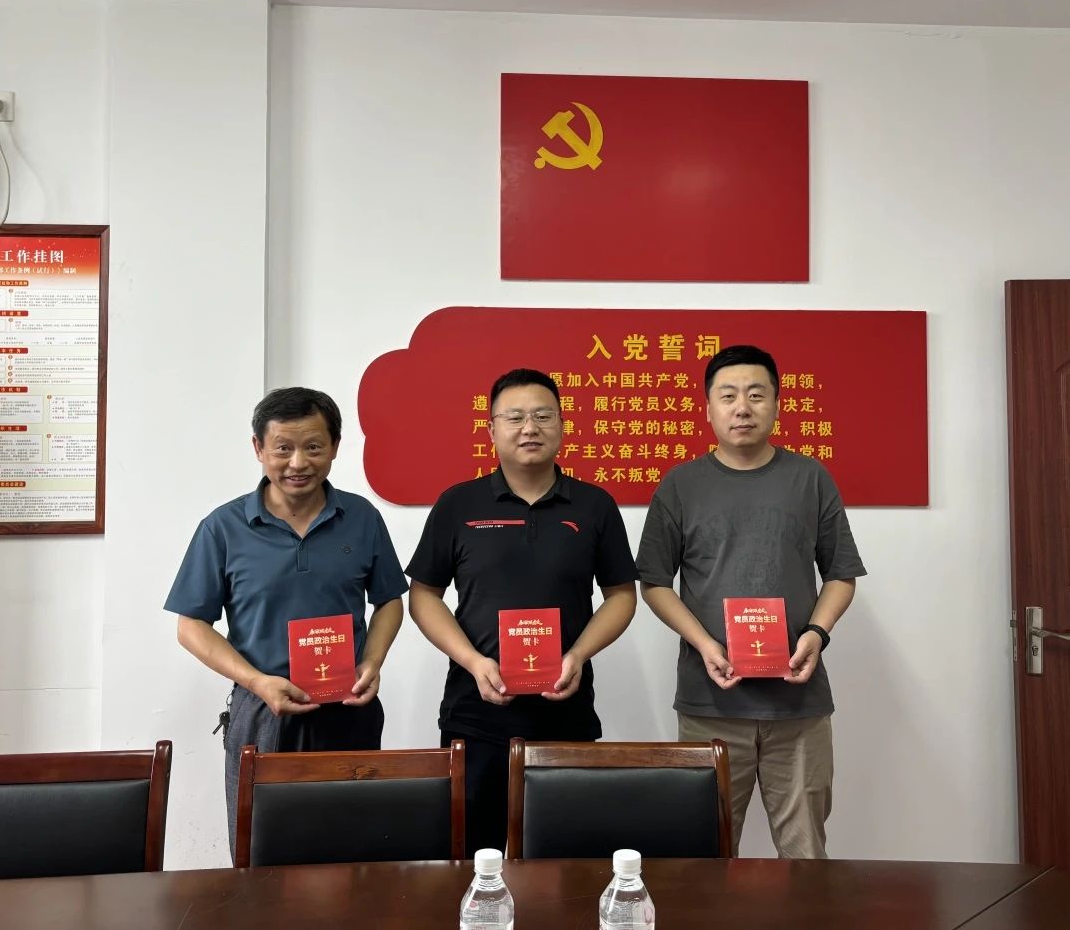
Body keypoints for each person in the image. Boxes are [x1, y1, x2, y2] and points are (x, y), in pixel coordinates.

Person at [636, 344, 866, 859]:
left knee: (805, 853)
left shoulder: (810, 479)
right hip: (710, 703)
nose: (742, 407)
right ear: (708, 409)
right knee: (705, 855)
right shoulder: (680, 485)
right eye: (728, 396)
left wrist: (817, 633)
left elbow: (841, 574)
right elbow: (654, 583)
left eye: (756, 395)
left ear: (777, 404)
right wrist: (704, 644)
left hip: (798, 705)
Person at [165, 386, 407, 855]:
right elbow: (190, 626)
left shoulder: (361, 517)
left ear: (335, 447)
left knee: (355, 849)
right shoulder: (224, 527)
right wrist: (257, 682)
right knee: (263, 851)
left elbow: (390, 601)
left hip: (348, 708)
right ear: (258, 448)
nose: (298, 463)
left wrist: (372, 662)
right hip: (263, 710)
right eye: (283, 448)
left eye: (313, 447)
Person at [406, 368, 638, 855]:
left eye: (542, 416)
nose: (529, 428)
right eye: (514, 417)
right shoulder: (458, 504)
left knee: (565, 860)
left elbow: (621, 595)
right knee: (473, 858)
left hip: (566, 713)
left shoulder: (594, 505)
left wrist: (578, 654)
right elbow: (424, 595)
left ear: (562, 425)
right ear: (491, 429)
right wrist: (473, 662)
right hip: (475, 714)